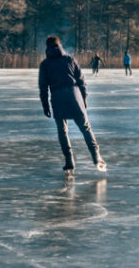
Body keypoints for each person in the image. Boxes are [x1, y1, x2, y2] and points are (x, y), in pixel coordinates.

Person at [38, 36, 106, 174]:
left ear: (47, 48)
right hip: (74, 95)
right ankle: (96, 156)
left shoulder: (45, 64)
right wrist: (84, 98)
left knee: (62, 131)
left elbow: (43, 87)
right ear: (59, 45)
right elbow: (81, 81)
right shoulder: (70, 59)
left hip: (57, 97)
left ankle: (69, 161)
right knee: (85, 128)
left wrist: (45, 105)